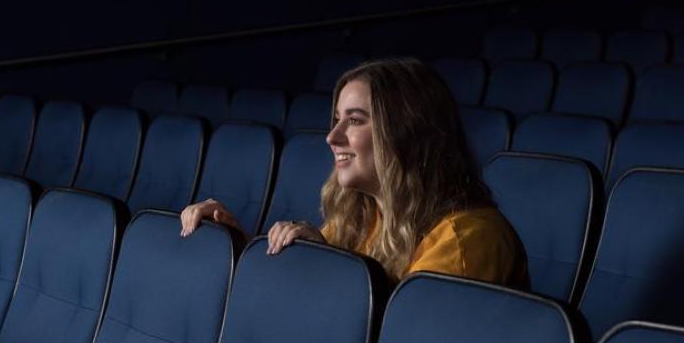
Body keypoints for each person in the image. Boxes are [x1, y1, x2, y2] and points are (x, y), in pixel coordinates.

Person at [180, 58, 528, 287]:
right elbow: (302, 294)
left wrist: (327, 263)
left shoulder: (468, 237)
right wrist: (234, 246)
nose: (332, 137)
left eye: (356, 120)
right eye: (336, 120)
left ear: (408, 133)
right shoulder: (365, 217)